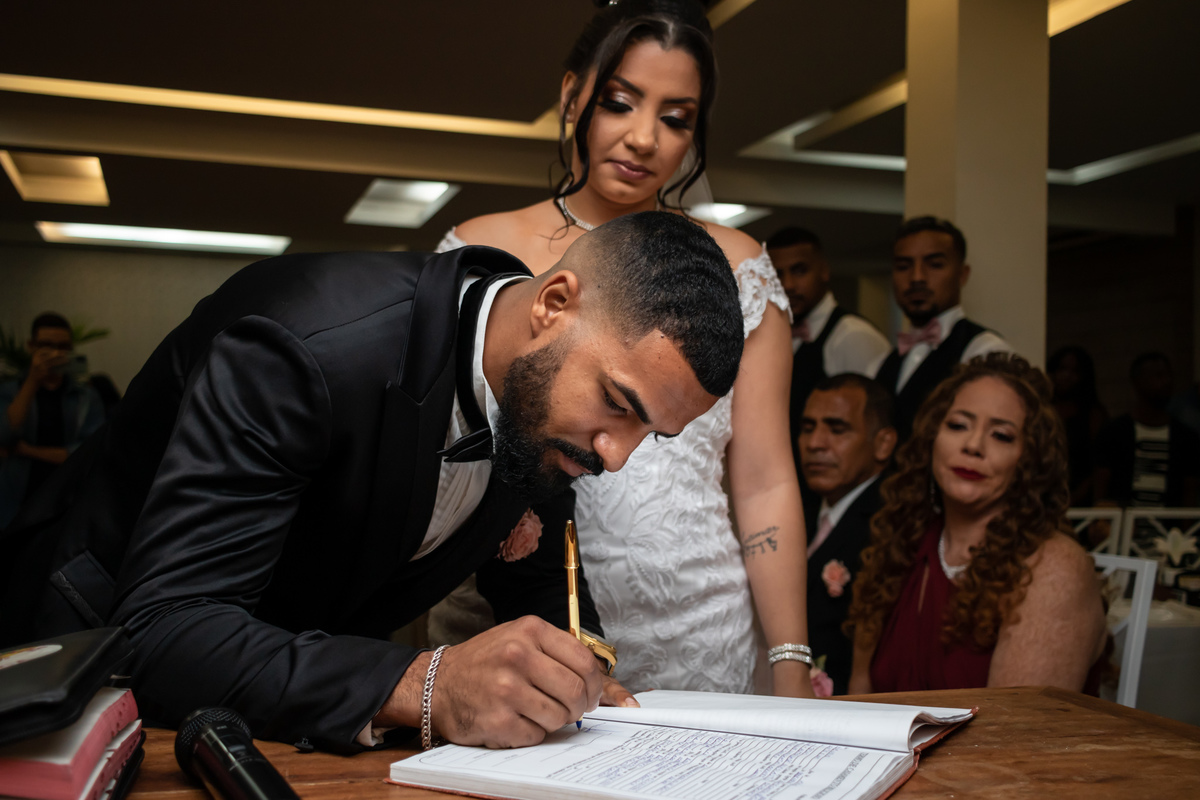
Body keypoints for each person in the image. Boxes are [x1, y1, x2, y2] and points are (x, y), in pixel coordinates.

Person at [0, 212, 745, 751]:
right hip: (88, 670)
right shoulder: (303, 348)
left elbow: (542, 584)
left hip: (282, 713)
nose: (618, 456)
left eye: (652, 433)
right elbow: (167, 629)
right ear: (553, 305)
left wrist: (578, 672)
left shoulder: (547, 407)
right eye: (618, 404)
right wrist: (425, 684)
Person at [432, 0, 813, 697]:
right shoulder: (482, 250)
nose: (643, 138)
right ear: (571, 96)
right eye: (619, 102)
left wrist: (791, 660)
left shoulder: (737, 268)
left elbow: (765, 481)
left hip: (698, 628)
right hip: (515, 619)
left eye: (676, 118)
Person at [847, 353, 1107, 694]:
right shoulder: (901, 543)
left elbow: (1016, 724)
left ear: (1029, 460)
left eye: (1001, 435)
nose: (973, 445)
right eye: (958, 425)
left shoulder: (1053, 567)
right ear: (931, 438)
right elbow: (861, 690)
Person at [798, 374, 896, 695]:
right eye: (808, 427)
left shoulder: (891, 525)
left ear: (883, 443)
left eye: (837, 429)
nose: (815, 443)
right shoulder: (798, 510)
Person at [874, 217, 1012, 441]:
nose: (917, 277)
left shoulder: (984, 351)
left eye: (935, 265)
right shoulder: (885, 360)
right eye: (903, 267)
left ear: (962, 274)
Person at [766, 227, 890, 467]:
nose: (787, 284)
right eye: (777, 275)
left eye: (799, 271)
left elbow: (870, 426)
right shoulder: (772, 335)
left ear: (824, 270)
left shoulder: (853, 336)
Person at [0, 313, 104, 529]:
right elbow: (5, 435)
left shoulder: (86, 397)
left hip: (68, 500)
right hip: (17, 498)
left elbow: (90, 450)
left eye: (63, 346)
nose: (56, 353)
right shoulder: (10, 391)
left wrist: (28, 451)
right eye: (47, 346)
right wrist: (32, 381)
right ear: (31, 346)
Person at [1094, 352, 1200, 511]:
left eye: (1169, 375)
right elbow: (1101, 487)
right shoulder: (1114, 432)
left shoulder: (1185, 437)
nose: (1166, 381)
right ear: (1137, 381)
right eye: (1158, 375)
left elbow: (1189, 492)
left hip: (1168, 524)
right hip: (1124, 522)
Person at [1047, 346, 1108, 507]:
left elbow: (1098, 466)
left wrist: (1072, 498)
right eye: (1062, 369)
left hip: (1080, 501)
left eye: (1075, 371)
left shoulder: (1093, 414)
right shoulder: (1042, 409)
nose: (1067, 376)